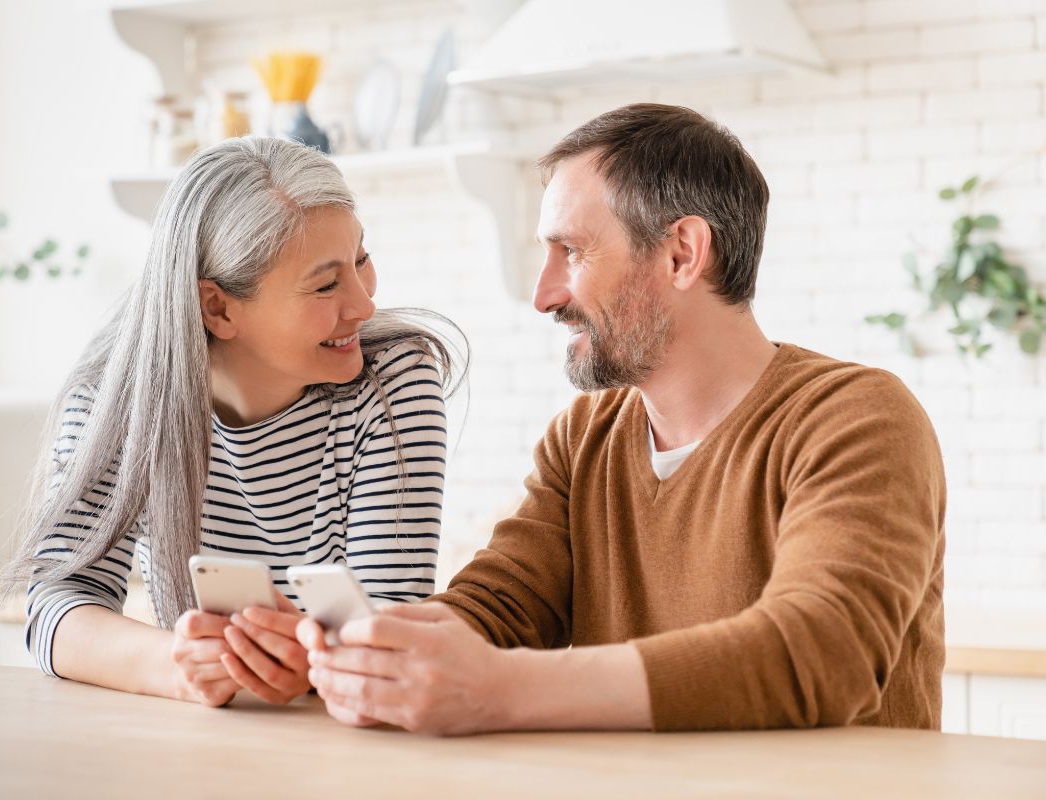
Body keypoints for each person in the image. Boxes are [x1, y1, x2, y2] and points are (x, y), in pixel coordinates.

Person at [298, 103, 947, 735]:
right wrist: (336, 657)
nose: (544, 295)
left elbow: (821, 655)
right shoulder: (581, 440)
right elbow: (496, 608)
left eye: (572, 253)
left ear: (682, 254)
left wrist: (503, 689)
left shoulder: (857, 420)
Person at [0, 136, 462, 707]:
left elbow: (387, 632)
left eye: (361, 259)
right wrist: (178, 666)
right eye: (326, 283)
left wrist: (303, 669)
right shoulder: (116, 397)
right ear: (218, 308)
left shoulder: (394, 380)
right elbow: (57, 607)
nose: (362, 305)